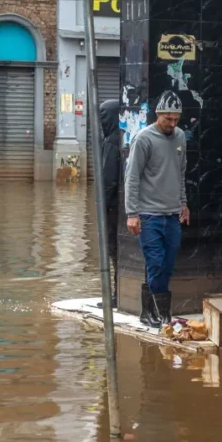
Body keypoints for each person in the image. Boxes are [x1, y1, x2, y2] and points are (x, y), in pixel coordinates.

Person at [125, 90, 190, 327]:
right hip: (148, 214)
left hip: (172, 213)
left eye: (176, 120)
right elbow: (132, 178)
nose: (172, 124)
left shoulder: (180, 137)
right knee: (155, 262)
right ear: (158, 114)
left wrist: (183, 202)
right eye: (167, 119)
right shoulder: (143, 139)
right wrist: (132, 213)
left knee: (167, 265)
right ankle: (164, 316)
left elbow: (180, 172)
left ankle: (148, 311)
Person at [99, 99, 123, 308]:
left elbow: (108, 180)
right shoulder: (127, 138)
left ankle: (117, 296)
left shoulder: (111, 143)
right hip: (127, 207)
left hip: (113, 208)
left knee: (114, 251)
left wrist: (102, 207)